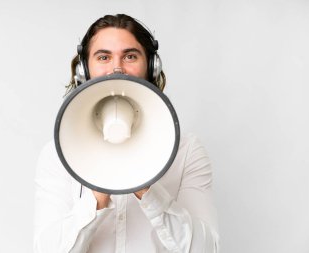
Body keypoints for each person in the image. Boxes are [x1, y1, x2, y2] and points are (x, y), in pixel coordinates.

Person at [34, 14, 219, 253]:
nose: (117, 68)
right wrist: (96, 197)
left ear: (151, 66)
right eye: (103, 57)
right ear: (84, 69)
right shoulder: (58, 154)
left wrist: (147, 188)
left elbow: (205, 249)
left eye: (130, 56)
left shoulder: (187, 151)